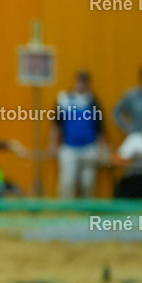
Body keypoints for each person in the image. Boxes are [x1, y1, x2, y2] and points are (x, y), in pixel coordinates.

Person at [48, 70, 105, 198]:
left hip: (89, 148)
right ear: (75, 82)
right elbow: (56, 125)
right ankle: (64, 213)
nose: (81, 85)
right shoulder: (63, 100)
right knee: (67, 182)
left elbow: (100, 128)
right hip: (69, 147)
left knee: (88, 183)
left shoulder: (93, 102)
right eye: (79, 81)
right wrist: (52, 143)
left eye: (84, 82)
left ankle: (87, 213)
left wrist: (101, 148)